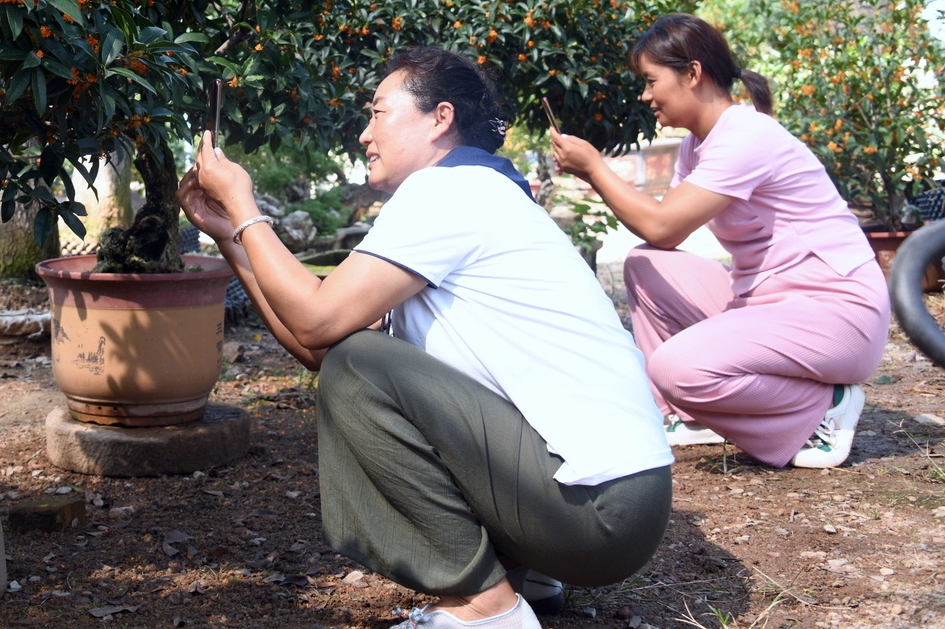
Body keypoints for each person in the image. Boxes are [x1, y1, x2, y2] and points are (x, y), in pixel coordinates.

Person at [181, 47, 673, 629]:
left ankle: (485, 609)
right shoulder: (482, 192)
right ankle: (522, 581)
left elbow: (326, 334)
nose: (364, 134)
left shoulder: (451, 192)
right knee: (356, 362)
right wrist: (233, 238)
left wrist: (244, 205)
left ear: (440, 118)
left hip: (597, 509)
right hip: (609, 508)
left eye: (378, 113)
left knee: (360, 364)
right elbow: (319, 348)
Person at [548, 13, 890, 470]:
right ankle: (690, 414)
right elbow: (664, 237)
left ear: (692, 74)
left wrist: (594, 168)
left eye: (651, 81)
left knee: (675, 367)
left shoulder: (746, 136)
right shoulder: (698, 145)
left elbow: (663, 225)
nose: (645, 95)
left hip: (837, 313)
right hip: (768, 302)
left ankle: (823, 405)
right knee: (644, 264)